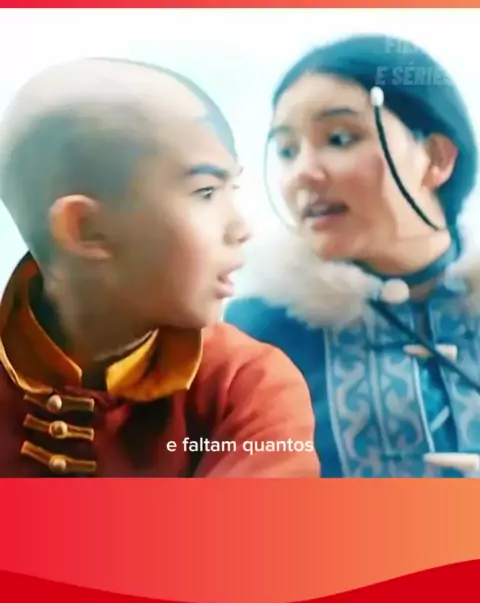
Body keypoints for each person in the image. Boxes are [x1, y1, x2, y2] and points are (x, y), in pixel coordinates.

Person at [0, 57, 318, 478]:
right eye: (206, 192)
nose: (242, 228)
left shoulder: (245, 384)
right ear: (86, 228)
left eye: (233, 188)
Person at [225, 33, 480, 478]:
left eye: (340, 138)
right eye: (286, 151)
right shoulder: (254, 339)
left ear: (437, 157)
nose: (302, 173)